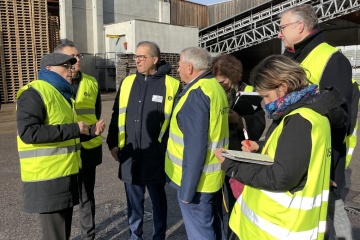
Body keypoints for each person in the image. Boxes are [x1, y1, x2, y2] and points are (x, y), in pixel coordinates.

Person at [214, 55, 348, 240]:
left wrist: (232, 165)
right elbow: (294, 152)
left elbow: (281, 177)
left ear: (283, 87)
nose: (267, 104)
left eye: (267, 97)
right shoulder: (308, 113)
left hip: (279, 228)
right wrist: (260, 147)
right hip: (280, 226)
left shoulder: (300, 120)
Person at [278, 4, 355, 239]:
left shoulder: (332, 59)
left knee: (333, 210)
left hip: (321, 159)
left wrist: (330, 167)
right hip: (291, 152)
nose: (278, 33)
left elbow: (341, 119)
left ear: (300, 26)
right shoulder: (288, 58)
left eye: (282, 27)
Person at [16, 53, 105, 240]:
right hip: (48, 178)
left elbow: (68, 138)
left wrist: (91, 134)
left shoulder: (63, 95)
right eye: (65, 65)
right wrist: (73, 128)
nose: (71, 69)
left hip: (65, 175)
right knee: (55, 235)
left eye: (72, 66)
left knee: (62, 233)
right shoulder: (34, 93)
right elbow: (29, 133)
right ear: (48, 69)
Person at [106, 41, 180, 240]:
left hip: (156, 156)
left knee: (158, 202)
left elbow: (176, 122)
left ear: (154, 60)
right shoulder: (128, 83)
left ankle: (158, 236)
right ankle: (135, 236)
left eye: (142, 57)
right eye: (135, 56)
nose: (137, 60)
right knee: (134, 203)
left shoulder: (171, 85)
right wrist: (112, 143)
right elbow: (116, 114)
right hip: (130, 154)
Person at [165, 47, 229, 240]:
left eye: (179, 65)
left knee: (201, 233)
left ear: (190, 67)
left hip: (197, 183)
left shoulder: (197, 94)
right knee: (213, 227)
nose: (177, 69)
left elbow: (195, 148)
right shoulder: (214, 87)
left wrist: (187, 191)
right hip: (212, 177)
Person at [212, 54, 265, 238]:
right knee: (214, 202)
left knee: (237, 201)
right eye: (217, 80)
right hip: (216, 154)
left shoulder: (249, 91)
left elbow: (259, 123)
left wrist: (239, 120)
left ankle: (234, 235)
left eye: (224, 81)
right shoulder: (211, 90)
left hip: (239, 155)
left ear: (233, 76)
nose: (220, 84)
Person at [54, 43, 103, 240]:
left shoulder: (91, 82)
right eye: (72, 57)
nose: (77, 60)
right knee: (64, 200)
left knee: (86, 197)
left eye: (78, 55)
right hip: (63, 151)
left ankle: (88, 236)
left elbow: (96, 112)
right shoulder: (52, 85)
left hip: (87, 148)